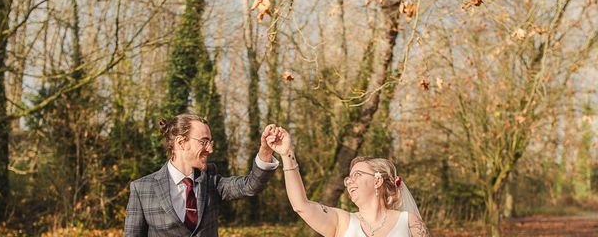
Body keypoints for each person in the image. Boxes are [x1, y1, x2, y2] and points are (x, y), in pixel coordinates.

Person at [124, 114, 279, 236]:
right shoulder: (142, 188)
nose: (210, 149)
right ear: (181, 142)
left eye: (210, 142)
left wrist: (265, 150)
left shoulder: (211, 179)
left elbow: (250, 185)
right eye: (203, 142)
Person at [266, 126, 430, 237]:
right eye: (348, 178)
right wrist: (287, 154)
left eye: (357, 174)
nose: (349, 182)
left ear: (377, 180)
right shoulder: (342, 221)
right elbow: (300, 205)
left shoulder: (409, 222)